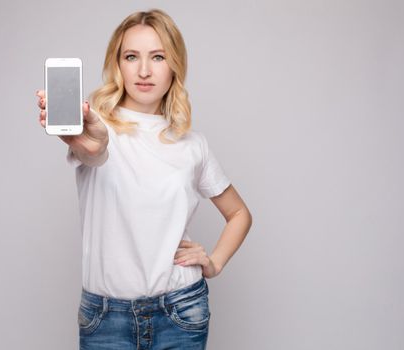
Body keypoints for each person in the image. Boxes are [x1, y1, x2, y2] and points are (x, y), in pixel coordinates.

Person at [36, 9, 252, 350]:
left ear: (174, 65)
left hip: (181, 311)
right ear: (118, 64)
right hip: (106, 318)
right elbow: (96, 150)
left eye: (158, 57)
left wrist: (214, 262)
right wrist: (90, 138)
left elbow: (239, 214)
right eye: (131, 56)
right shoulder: (94, 124)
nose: (144, 70)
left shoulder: (192, 145)